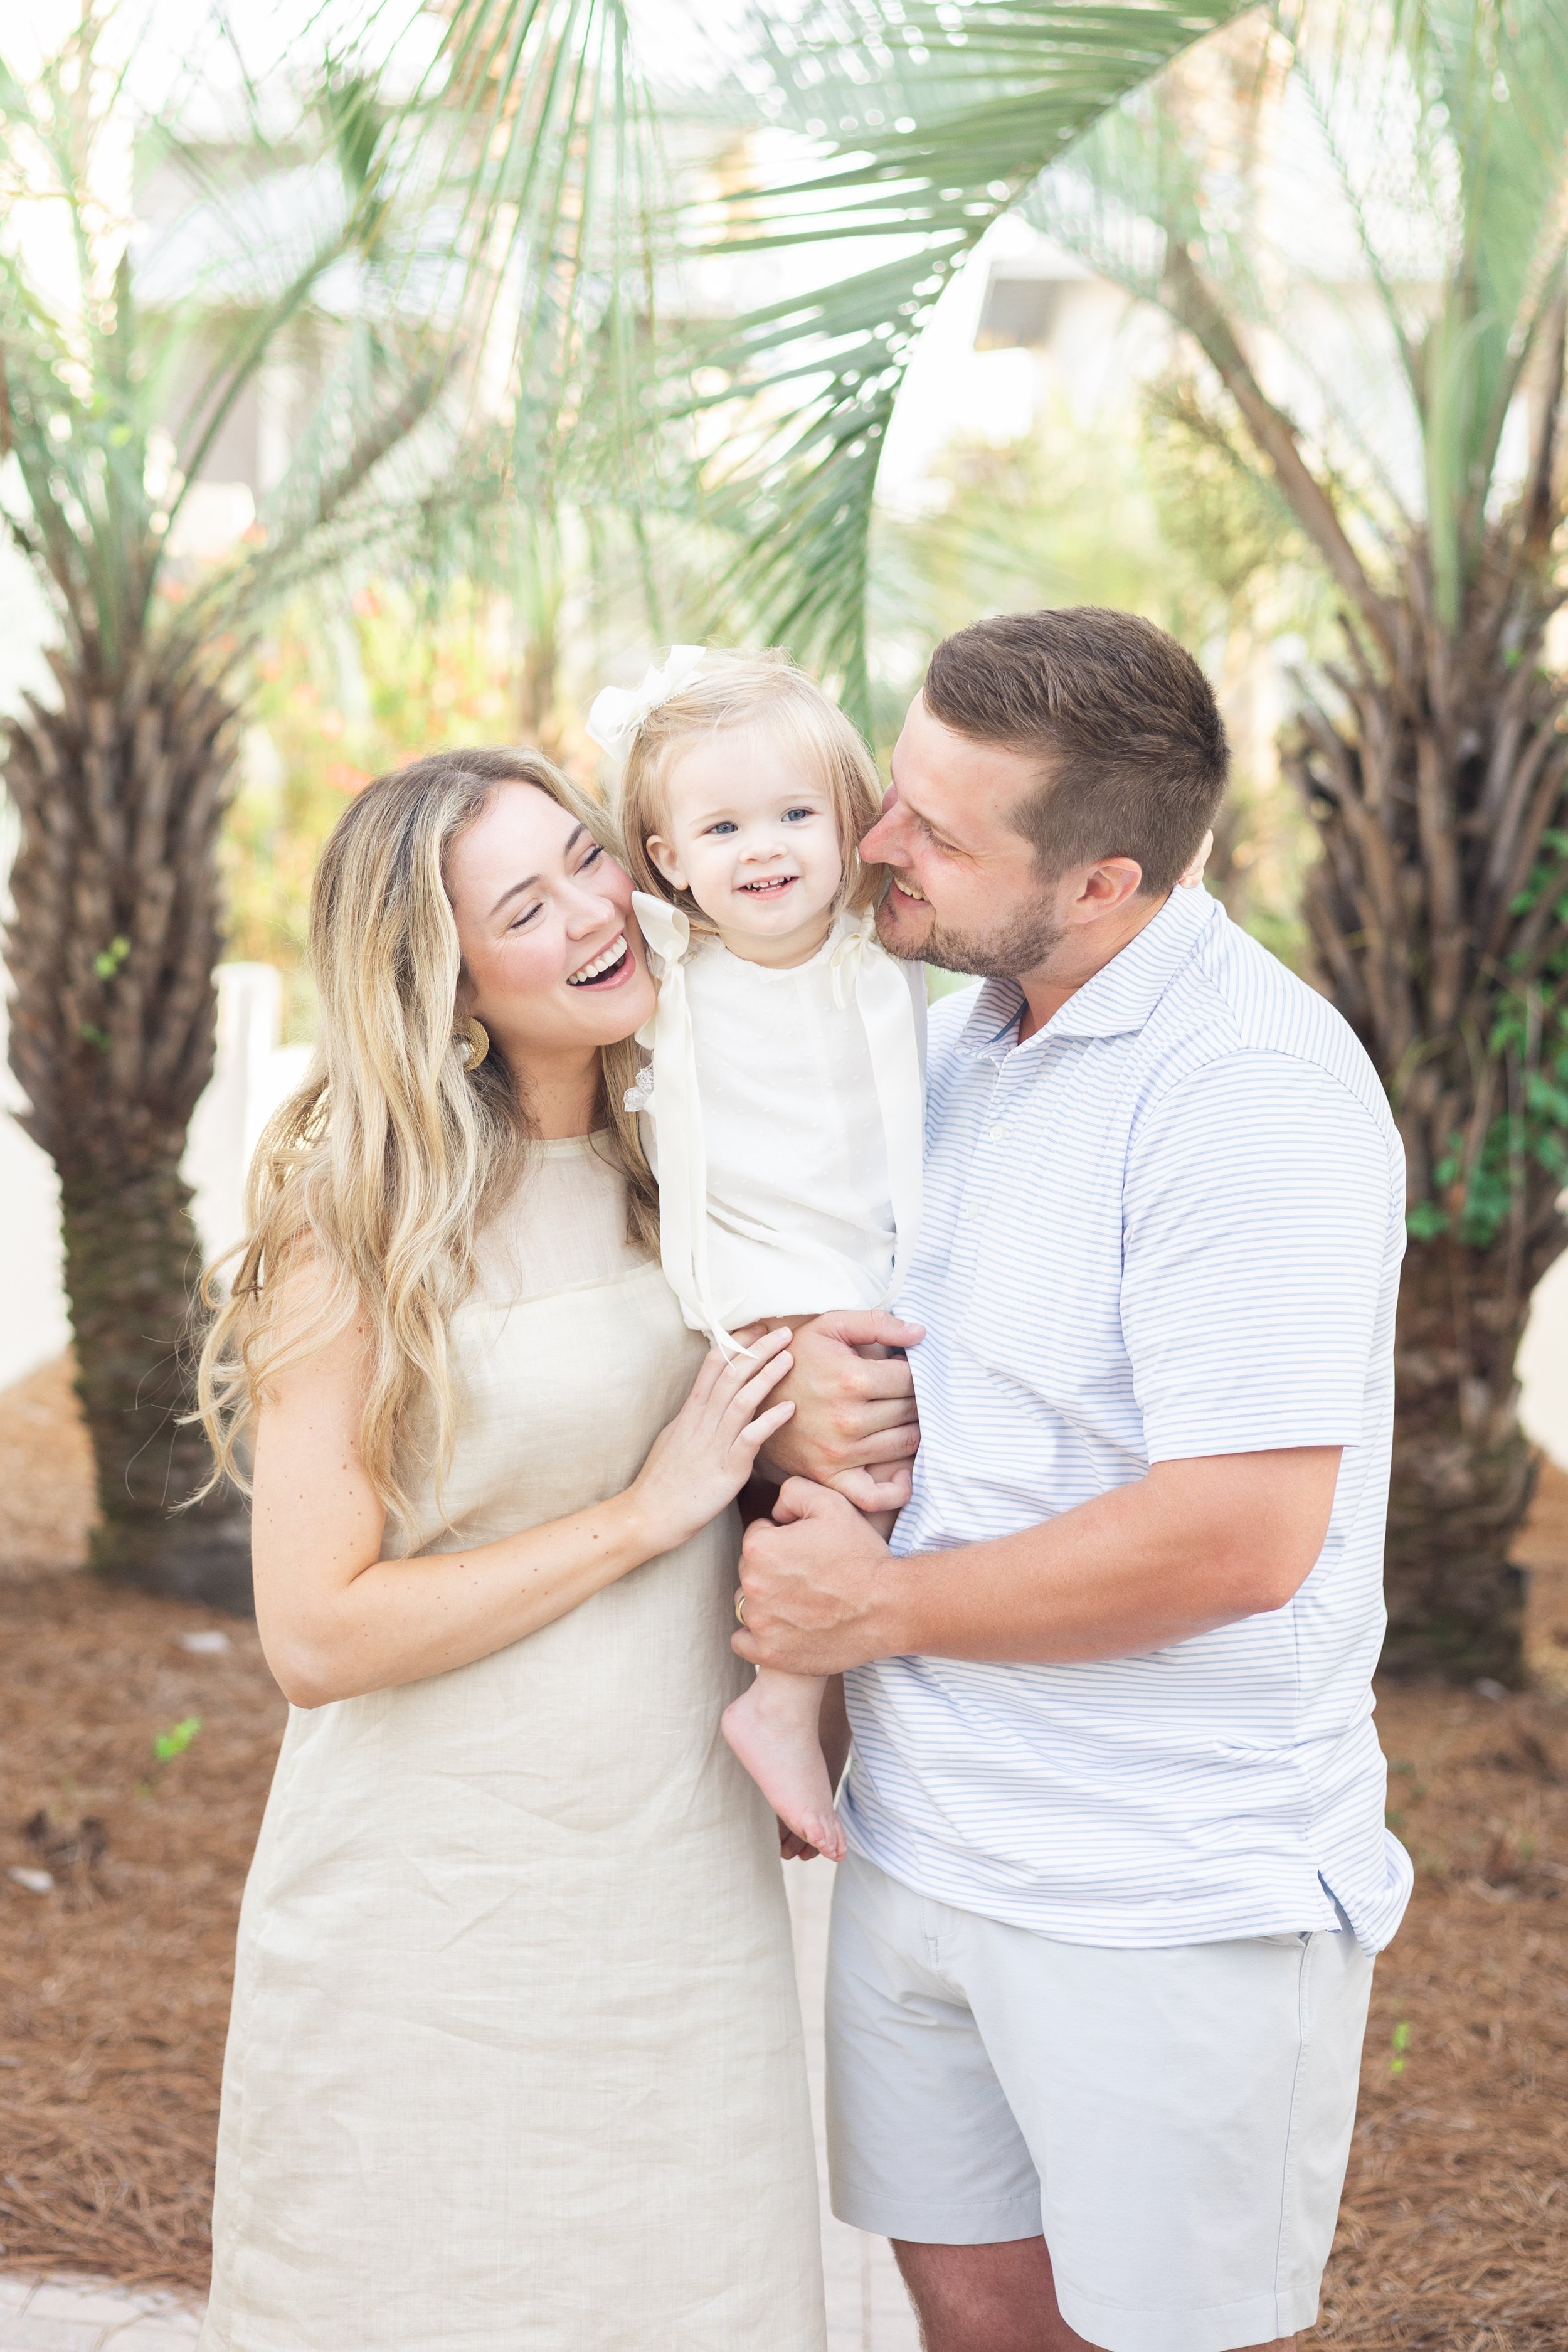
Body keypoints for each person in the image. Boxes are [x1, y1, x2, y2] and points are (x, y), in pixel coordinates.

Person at [734, 607, 1413, 2352]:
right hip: (924, 1847)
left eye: (934, 832)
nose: (873, 842)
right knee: (970, 2316)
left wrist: (869, 1605)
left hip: (1160, 1896)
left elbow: (1241, 1533)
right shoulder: (967, 1031)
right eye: (894, 791)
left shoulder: (1243, 1089)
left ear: (1102, 880)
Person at [194, 748, 827, 2352]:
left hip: (670, 1889)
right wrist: (644, 1508)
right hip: (437, 1905)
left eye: (586, 859)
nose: (591, 913)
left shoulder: (687, 1167)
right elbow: (315, 1638)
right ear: (449, 979)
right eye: (522, 907)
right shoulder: (359, 1226)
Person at [593, 646, 924, 1860]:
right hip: (754, 1279)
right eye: (720, 826)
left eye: (793, 813)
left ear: (848, 825)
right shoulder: (669, 970)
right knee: (858, 1477)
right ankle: (781, 1711)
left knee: (861, 1482)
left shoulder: (884, 966)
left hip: (878, 1265)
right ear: (668, 862)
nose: (763, 847)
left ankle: (807, 1717)